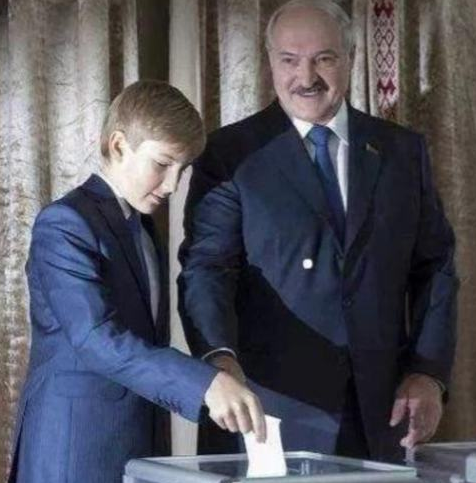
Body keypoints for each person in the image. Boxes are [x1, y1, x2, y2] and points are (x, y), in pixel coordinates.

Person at [178, 0, 457, 463]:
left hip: (381, 416)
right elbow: (207, 269)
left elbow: (436, 268)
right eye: (289, 60)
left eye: (323, 58)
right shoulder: (229, 154)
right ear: (270, 62)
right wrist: (217, 359)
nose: (305, 77)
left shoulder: (402, 152)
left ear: (350, 57)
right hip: (268, 413)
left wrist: (428, 373)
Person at [8, 80, 266, 483]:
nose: (173, 185)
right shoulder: (64, 223)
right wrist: (205, 384)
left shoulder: (142, 228)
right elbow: (96, 337)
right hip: (73, 450)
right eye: (162, 164)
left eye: (182, 169)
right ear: (118, 146)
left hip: (136, 448)